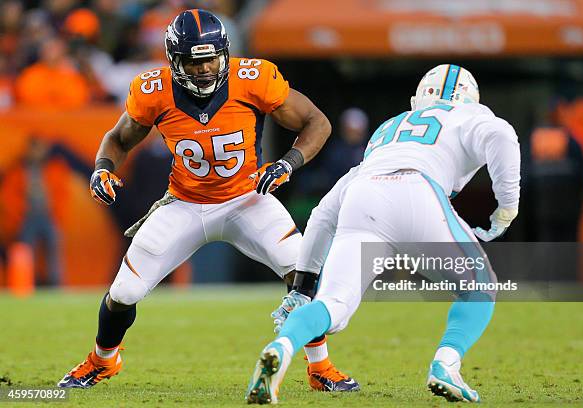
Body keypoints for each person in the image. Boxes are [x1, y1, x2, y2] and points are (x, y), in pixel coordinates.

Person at [57, 9, 359, 392]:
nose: (203, 70)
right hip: (184, 202)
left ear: (225, 53)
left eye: (210, 59)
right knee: (124, 293)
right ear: (173, 60)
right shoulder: (154, 89)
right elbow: (119, 137)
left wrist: (288, 163)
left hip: (247, 200)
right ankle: (103, 360)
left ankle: (320, 367)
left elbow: (316, 122)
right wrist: (103, 167)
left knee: (302, 273)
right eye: (193, 62)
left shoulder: (255, 78)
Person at [246, 64, 521, 404]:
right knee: (479, 287)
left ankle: (281, 348)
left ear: (417, 99)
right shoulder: (469, 114)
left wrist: (303, 284)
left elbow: (323, 213)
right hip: (417, 188)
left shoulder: (389, 129)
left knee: (333, 305)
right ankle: (446, 364)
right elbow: (502, 135)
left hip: (364, 194)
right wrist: (507, 205)